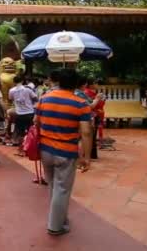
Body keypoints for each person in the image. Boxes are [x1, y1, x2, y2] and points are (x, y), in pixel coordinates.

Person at [35, 68, 92, 236]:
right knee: (62, 188)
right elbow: (86, 132)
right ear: (76, 84)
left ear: (59, 81)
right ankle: (55, 226)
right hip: (66, 152)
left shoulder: (44, 98)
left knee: (54, 186)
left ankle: (60, 218)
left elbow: (36, 122)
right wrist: (86, 157)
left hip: (45, 149)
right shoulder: (81, 104)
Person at [9, 76, 37, 153]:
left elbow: (11, 99)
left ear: (14, 82)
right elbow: (35, 98)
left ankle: (20, 150)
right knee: (30, 132)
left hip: (19, 113)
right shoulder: (28, 89)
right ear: (22, 81)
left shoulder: (11, 90)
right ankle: (30, 149)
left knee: (20, 133)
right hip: (29, 113)